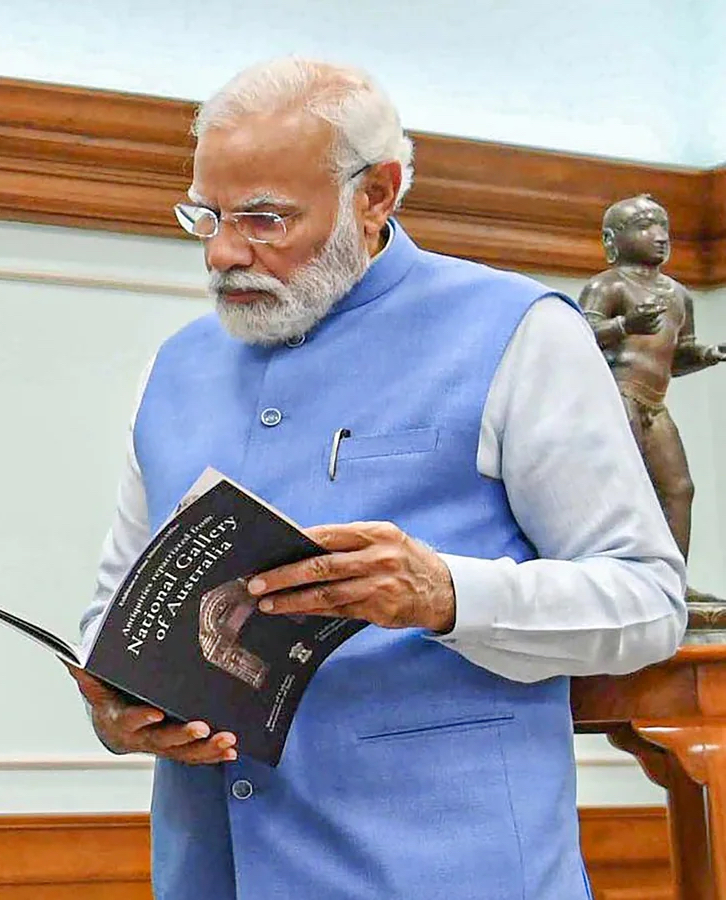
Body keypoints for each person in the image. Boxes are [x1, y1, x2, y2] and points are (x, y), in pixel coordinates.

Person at [74, 58, 686, 900]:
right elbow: (114, 608)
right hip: (207, 872)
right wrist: (118, 714)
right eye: (206, 215)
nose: (221, 251)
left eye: (263, 218)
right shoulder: (172, 369)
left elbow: (648, 602)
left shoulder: (521, 333)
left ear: (377, 195)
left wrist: (445, 594)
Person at [580, 195, 725, 564]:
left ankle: (671, 578)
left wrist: (707, 355)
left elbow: (677, 358)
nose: (659, 236)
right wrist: (625, 325)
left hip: (654, 403)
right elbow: (579, 336)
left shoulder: (679, 295)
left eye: (663, 227)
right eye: (645, 226)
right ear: (612, 240)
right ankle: (620, 571)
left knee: (678, 489)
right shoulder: (609, 286)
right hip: (617, 396)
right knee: (622, 487)